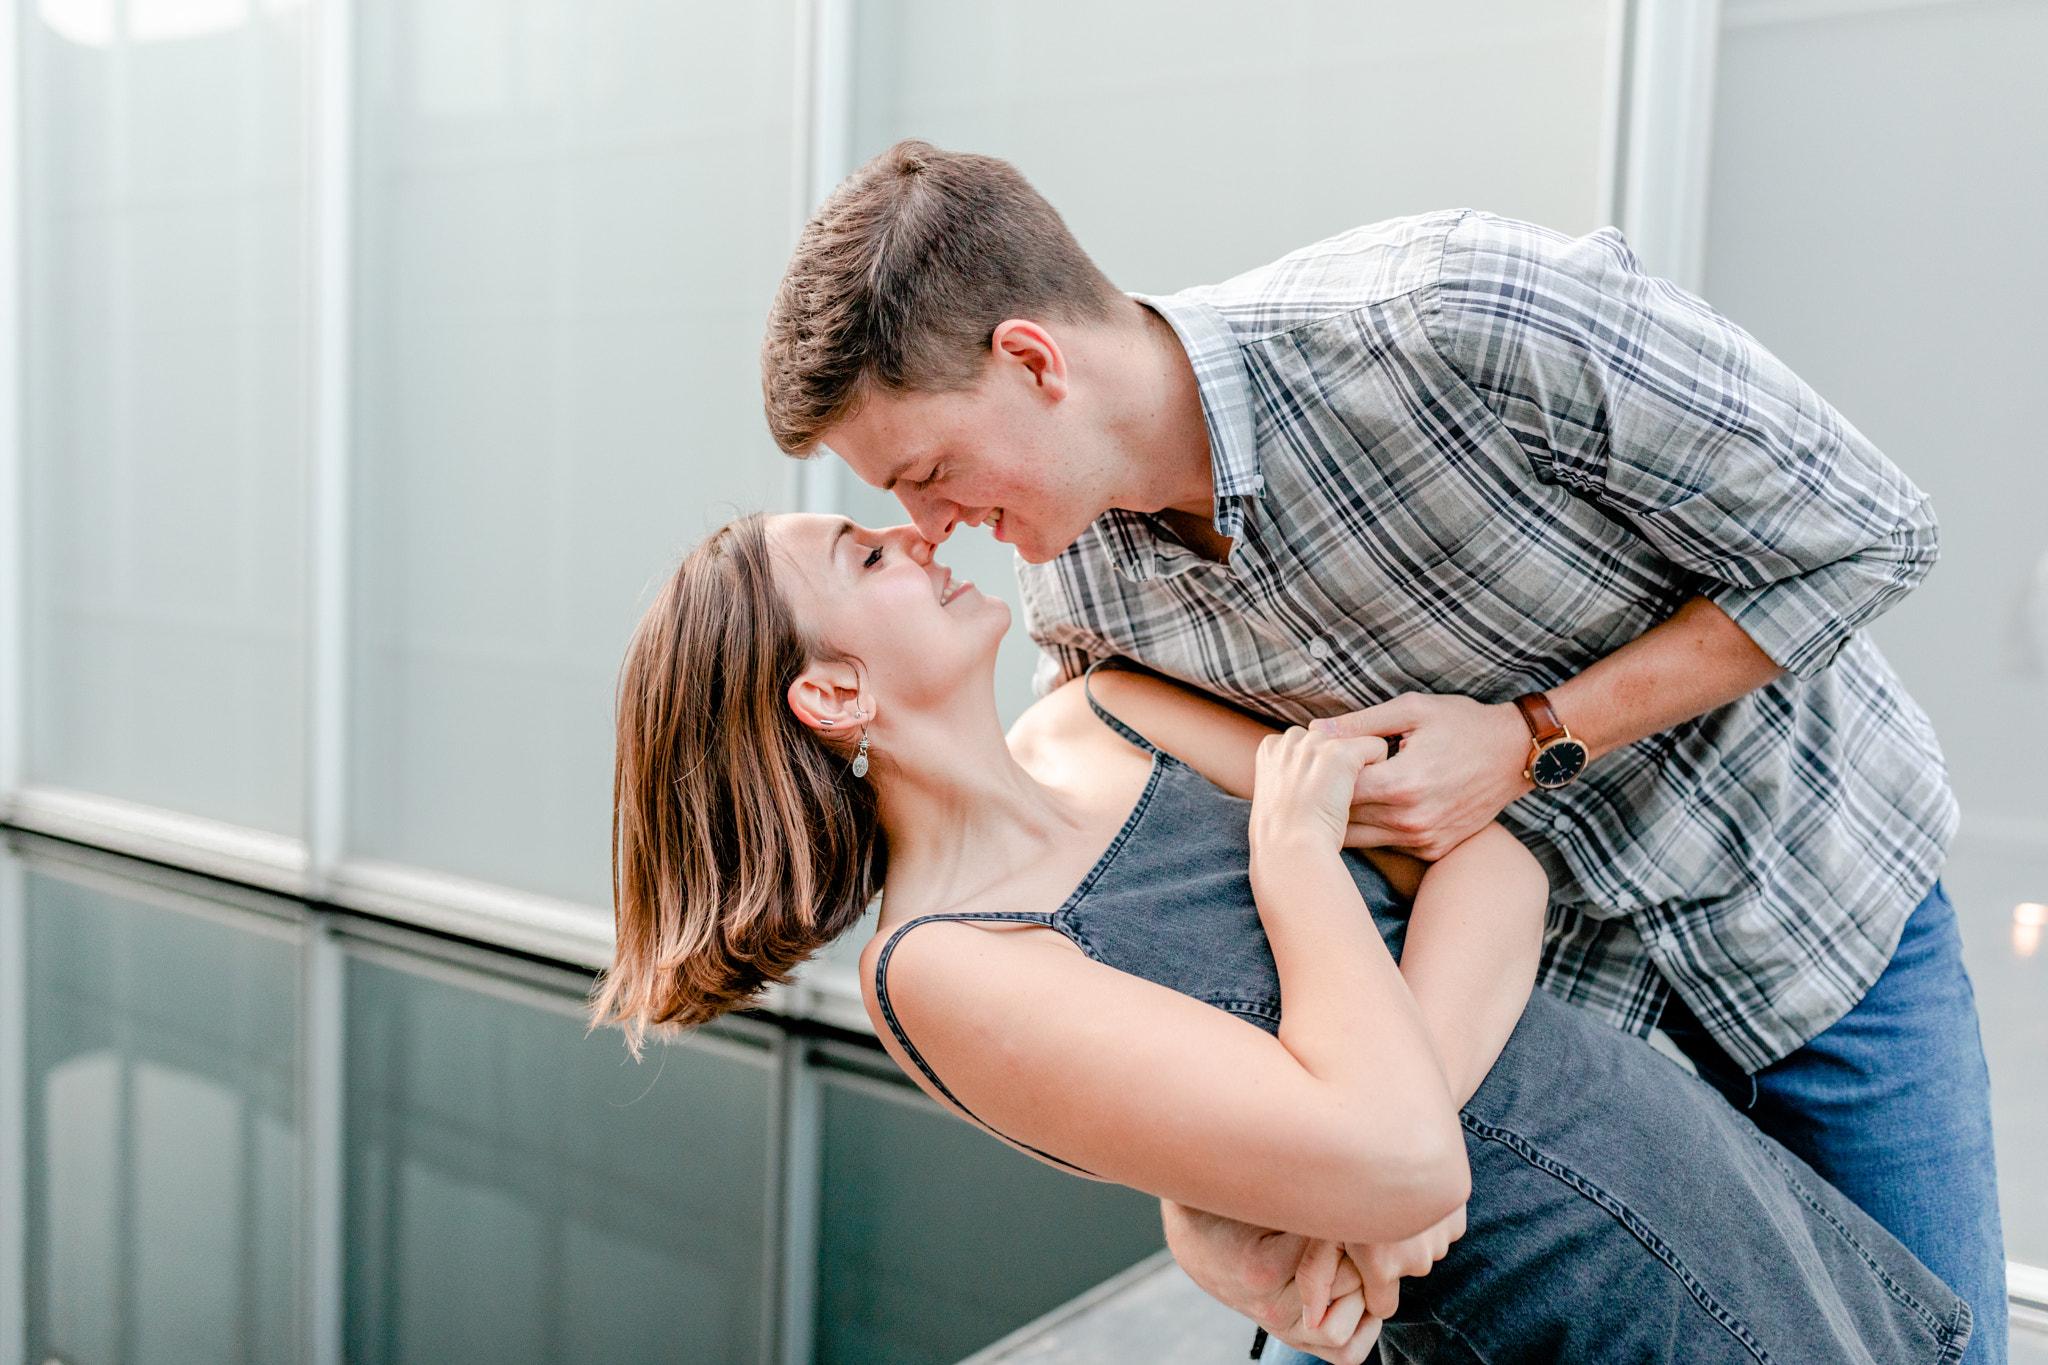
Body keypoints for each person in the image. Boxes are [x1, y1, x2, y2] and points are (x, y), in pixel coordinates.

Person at [757, 143, 2006, 1362]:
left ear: (1030, 360)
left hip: (1810, 930)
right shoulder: (1074, 603)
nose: (930, 530)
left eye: (927, 474)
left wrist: (1531, 741)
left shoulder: (1455, 316)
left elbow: (1867, 534)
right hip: (1509, 1046)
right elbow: (1157, 1001)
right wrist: (1222, 1219)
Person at [595, 512, 1970, 1364]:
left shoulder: (1098, 715)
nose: (920, 540)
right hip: (1561, 1298)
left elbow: (1496, 863)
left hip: (1675, 1163)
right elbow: (1391, 1151)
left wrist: (1373, 1189)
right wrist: (1300, 857)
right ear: (833, 690)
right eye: (868, 557)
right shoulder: (942, 963)